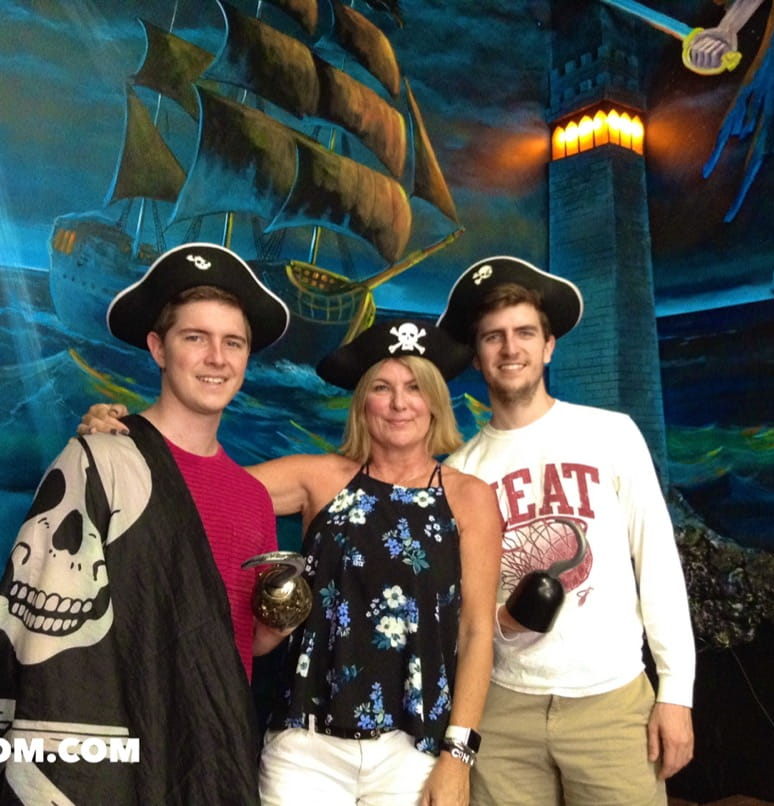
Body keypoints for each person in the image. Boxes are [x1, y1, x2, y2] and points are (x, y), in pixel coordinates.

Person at [80, 317, 504, 805]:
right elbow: (198, 486)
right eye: (382, 387)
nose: (399, 403)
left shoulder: (470, 498)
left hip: (412, 748)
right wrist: (125, 438)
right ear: (362, 402)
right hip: (306, 744)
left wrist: (458, 755)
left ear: (435, 401)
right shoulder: (318, 478)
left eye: (414, 387)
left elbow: (476, 632)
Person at [0, 242, 291, 806]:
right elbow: (41, 635)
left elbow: (230, 644)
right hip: (112, 749)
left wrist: (278, 625)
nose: (216, 358)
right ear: (158, 348)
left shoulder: (253, 498)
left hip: (208, 754)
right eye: (195, 338)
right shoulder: (100, 460)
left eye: (233, 342)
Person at [435, 256, 696, 806]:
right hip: (501, 708)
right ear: (477, 356)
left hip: (610, 703)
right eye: (494, 337)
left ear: (549, 346)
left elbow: (657, 563)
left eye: (525, 333)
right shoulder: (461, 470)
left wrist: (676, 690)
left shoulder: (611, 435)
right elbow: (459, 608)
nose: (510, 349)